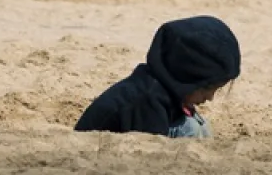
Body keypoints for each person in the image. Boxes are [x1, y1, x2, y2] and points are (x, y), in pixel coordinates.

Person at [76, 16, 241, 138]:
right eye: (205, 89)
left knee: (201, 125)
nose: (210, 98)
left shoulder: (166, 88)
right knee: (189, 130)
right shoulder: (146, 100)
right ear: (186, 76)